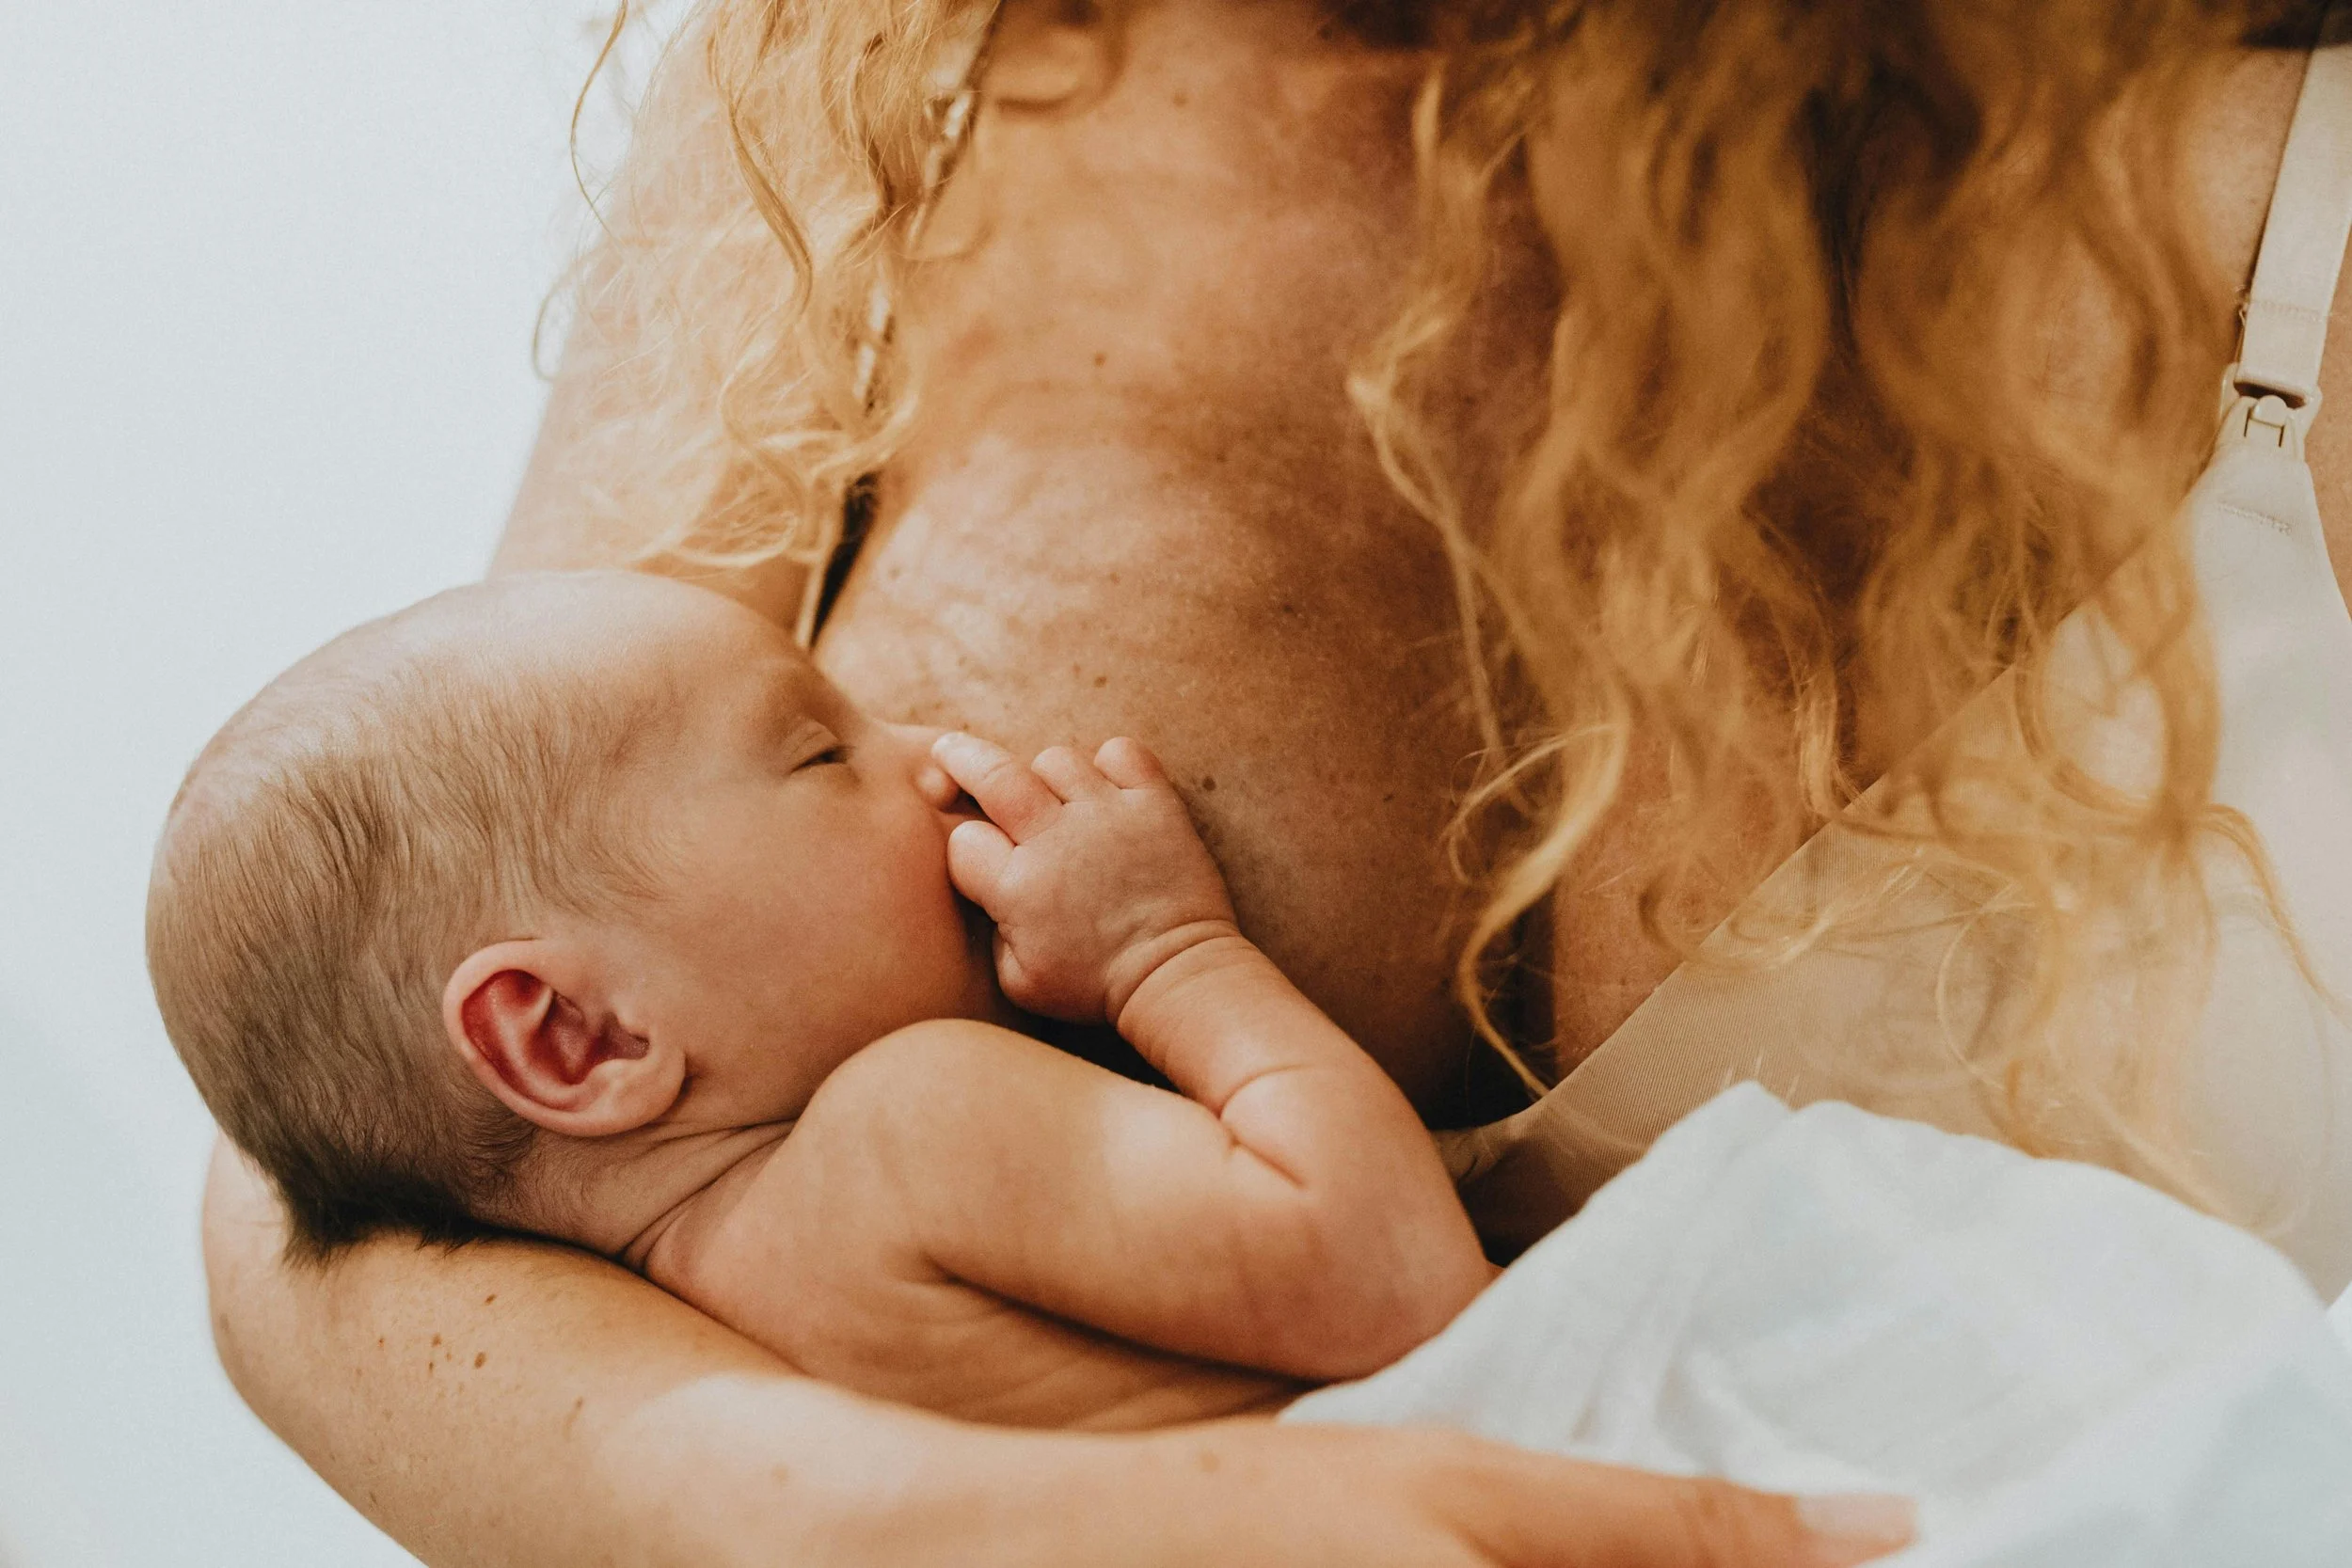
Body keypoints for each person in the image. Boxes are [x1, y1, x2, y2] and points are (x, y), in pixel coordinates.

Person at [199, 0, 2350, 1562]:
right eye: (819, 742)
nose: (926, 770)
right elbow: (345, 1180)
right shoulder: (885, 79)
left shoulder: (2284, 217)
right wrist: (922, 1526)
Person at [156, 570, 1491, 1428]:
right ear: (580, 1035)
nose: (924, 749)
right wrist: (1167, 952)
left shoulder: (689, 1344)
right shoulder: (909, 1123)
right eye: (816, 749)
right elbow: (1397, 1276)